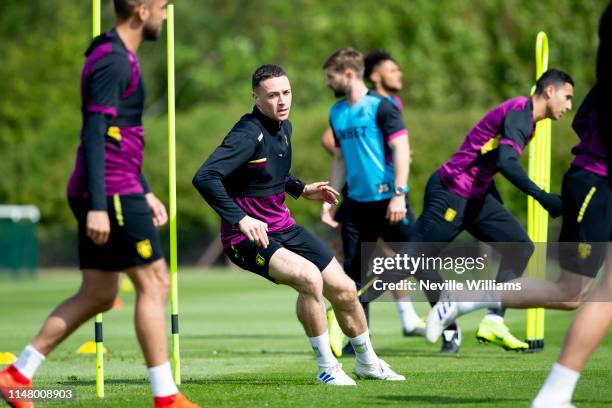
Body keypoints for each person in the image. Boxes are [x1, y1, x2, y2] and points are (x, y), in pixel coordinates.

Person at [0, 1, 198, 408]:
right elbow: (93, 132)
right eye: (162, 6)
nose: (166, 13)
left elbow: (118, 135)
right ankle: (166, 398)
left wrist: (143, 188)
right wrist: (97, 204)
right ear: (142, 11)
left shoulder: (116, 54)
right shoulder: (112, 61)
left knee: (100, 293)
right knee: (155, 281)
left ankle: (17, 374)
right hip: (108, 190)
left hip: (120, 186)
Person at [192, 64, 404, 385]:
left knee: (346, 290)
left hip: (283, 226)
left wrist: (302, 189)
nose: (282, 101)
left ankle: (368, 362)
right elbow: (206, 177)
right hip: (245, 238)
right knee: (308, 279)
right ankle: (327, 368)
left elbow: (274, 173)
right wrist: (240, 218)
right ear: (255, 97)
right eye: (273, 95)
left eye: (286, 93)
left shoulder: (284, 127)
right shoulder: (247, 134)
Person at [415, 69, 575, 351]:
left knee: (520, 246)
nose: (569, 105)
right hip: (451, 190)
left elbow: (487, 159)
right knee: (410, 259)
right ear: (550, 91)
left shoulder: (528, 120)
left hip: (476, 194)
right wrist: (542, 196)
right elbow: (506, 161)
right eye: (567, 96)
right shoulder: (519, 113)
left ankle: (493, 320)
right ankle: (348, 311)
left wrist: (496, 203)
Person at [322, 48, 460, 353]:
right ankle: (358, 340)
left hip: (391, 203)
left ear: (348, 75)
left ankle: (450, 329)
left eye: (330, 77)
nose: (327, 83)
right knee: (354, 273)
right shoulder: (337, 112)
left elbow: (401, 149)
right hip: (357, 205)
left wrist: (399, 194)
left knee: (421, 263)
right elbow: (339, 158)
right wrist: (331, 197)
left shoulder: (382, 106)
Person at [531, 4, 612, 406]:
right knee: (575, 292)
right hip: (596, 181)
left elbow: (581, 123)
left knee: (583, 293)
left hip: (597, 180)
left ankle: (555, 394)